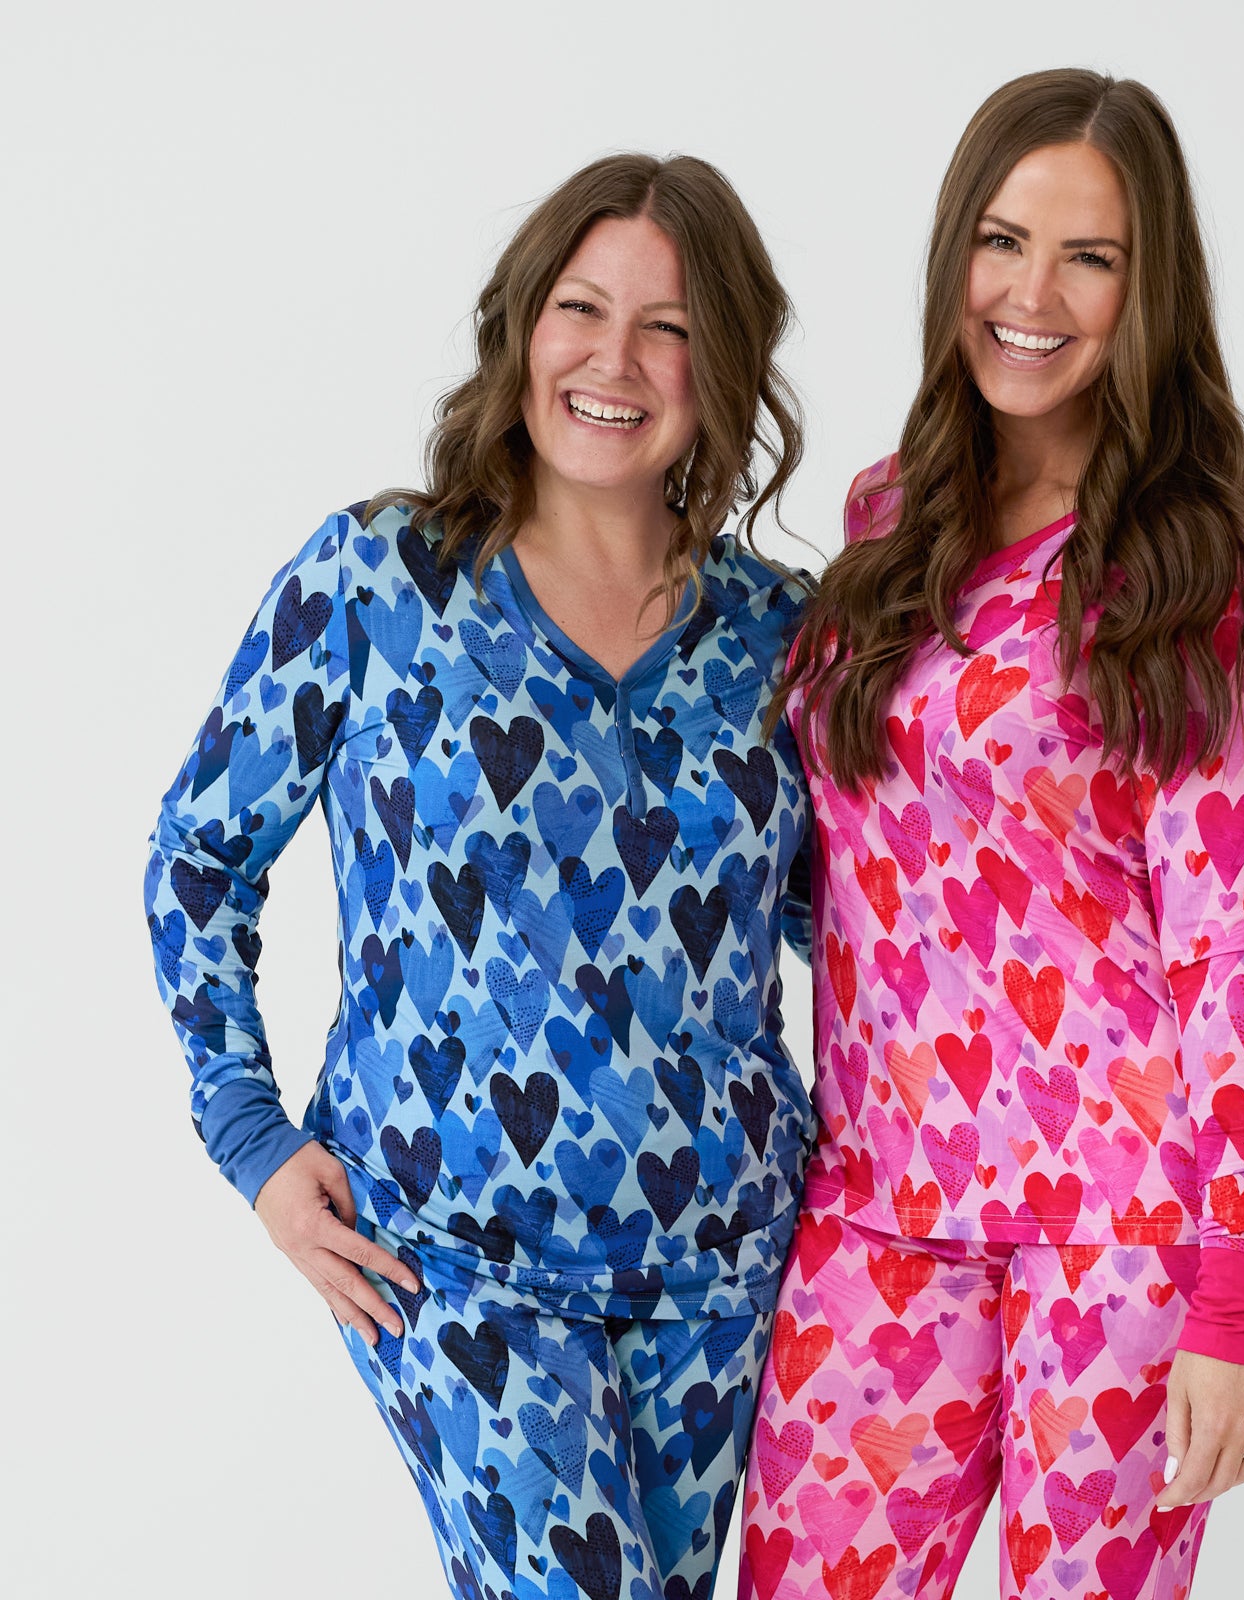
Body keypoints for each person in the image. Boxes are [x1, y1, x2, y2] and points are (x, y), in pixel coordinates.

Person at [145, 152, 816, 1600]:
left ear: (727, 367)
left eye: (672, 327)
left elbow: (876, 927)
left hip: (724, 1269)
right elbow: (201, 853)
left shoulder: (784, 638)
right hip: (452, 1256)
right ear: (523, 328)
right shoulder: (379, 580)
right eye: (583, 308)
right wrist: (250, 1138)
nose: (616, 360)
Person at [738, 69, 1244, 1600]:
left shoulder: (1200, 573)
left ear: (1151, 293)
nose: (1033, 295)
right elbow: (842, 873)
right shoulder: (884, 522)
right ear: (954, 256)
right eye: (1003, 241)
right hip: (875, 1204)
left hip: (1123, 1232)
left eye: (1093, 258)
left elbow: (1224, 950)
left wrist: (1242, 1303)